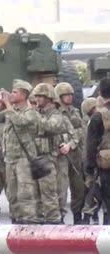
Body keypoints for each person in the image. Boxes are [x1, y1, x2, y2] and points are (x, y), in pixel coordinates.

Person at [0, 79, 38, 224]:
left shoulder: (29, 113)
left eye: (15, 92)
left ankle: (29, 222)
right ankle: (16, 221)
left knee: (26, 192)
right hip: (10, 158)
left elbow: (21, 122)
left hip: (23, 159)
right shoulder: (11, 111)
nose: (11, 94)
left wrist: (8, 104)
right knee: (12, 193)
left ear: (23, 95)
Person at [32, 83, 65, 224]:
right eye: (37, 96)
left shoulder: (56, 114)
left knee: (49, 194)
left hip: (48, 159)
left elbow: (52, 126)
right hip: (34, 158)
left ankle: (54, 223)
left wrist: (34, 115)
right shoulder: (37, 112)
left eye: (41, 96)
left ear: (49, 98)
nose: (38, 99)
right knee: (35, 196)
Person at [55, 82, 86, 224]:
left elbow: (81, 131)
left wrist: (71, 143)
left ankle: (77, 216)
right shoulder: (55, 113)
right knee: (61, 189)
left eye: (70, 94)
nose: (69, 97)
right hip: (60, 156)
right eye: (66, 95)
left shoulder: (75, 111)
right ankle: (59, 218)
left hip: (75, 154)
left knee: (79, 188)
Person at [85, 78, 110, 225]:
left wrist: (89, 171)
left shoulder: (97, 117)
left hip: (106, 170)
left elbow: (90, 147)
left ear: (100, 93)